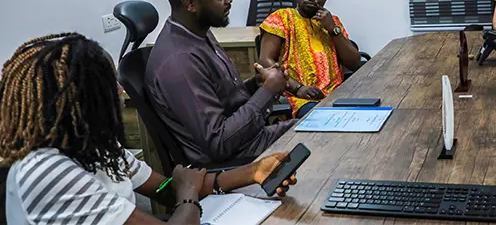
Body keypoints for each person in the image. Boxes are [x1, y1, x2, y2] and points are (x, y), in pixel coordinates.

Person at [1, 33, 297, 224]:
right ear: (79, 101)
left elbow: (166, 190)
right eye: (106, 87)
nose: (118, 90)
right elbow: (182, 193)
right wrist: (189, 194)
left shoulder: (94, 147)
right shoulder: (47, 171)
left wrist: (254, 171)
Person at [145, 0, 297, 165]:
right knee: (322, 140)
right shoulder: (179, 62)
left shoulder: (200, 32)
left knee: (319, 124)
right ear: (189, 3)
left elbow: (224, 101)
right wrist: (268, 92)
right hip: (237, 162)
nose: (229, 0)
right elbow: (218, 143)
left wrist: (256, 85)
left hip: (251, 139)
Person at [258, 0, 362, 117]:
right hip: (298, 98)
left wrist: (332, 28)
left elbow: (355, 63)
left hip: (337, 95)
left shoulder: (332, 22)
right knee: (326, 119)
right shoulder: (281, 18)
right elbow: (265, 61)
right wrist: (297, 88)